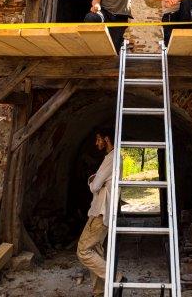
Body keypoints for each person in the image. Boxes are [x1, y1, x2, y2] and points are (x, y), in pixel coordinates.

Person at [77, 127, 125, 296]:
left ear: (107, 139)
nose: (96, 143)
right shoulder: (113, 158)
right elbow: (99, 183)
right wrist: (96, 181)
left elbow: (95, 185)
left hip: (100, 212)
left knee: (83, 251)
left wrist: (92, 180)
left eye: (98, 139)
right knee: (95, 251)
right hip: (102, 211)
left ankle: (116, 277)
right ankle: (99, 292)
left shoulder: (112, 158)